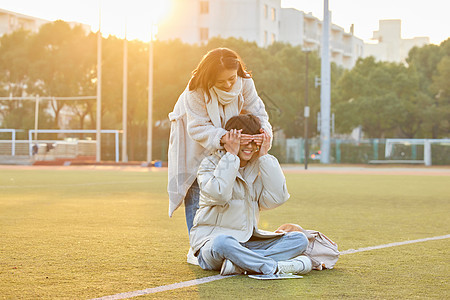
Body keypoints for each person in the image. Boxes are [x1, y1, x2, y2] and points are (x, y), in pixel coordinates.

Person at [167, 48, 273, 237]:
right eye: (220, 81)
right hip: (194, 142)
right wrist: (226, 138)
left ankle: (226, 238)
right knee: (196, 185)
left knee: (224, 187)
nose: (227, 84)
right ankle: (199, 245)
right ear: (209, 78)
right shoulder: (195, 89)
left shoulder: (245, 82)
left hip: (227, 143)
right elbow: (197, 127)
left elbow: (258, 112)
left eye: (231, 79)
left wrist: (263, 133)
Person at [189, 114, 312, 276]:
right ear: (231, 139)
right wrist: (231, 156)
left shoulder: (257, 166)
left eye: (255, 140)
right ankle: (273, 267)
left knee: (299, 239)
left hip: (247, 242)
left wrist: (264, 156)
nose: (250, 146)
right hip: (211, 244)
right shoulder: (210, 164)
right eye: (244, 140)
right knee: (222, 242)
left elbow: (277, 199)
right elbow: (220, 195)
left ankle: (239, 264)